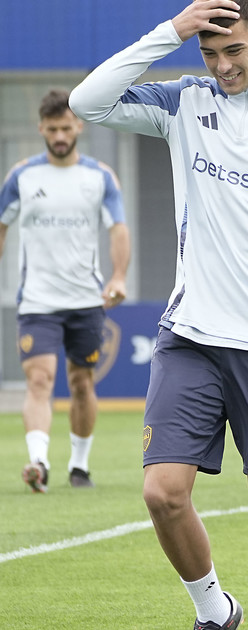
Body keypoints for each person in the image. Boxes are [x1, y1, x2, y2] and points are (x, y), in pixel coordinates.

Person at [70, 1, 248, 628]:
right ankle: (215, 609)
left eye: (234, 50)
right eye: (209, 54)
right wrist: (171, 32)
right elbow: (87, 102)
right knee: (162, 493)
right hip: (190, 336)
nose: (223, 66)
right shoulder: (184, 103)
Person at [0, 89, 130, 493]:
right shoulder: (21, 176)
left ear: (79, 127)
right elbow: (1, 226)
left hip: (85, 301)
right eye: (52, 128)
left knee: (81, 383)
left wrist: (118, 277)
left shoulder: (99, 177)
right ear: (41, 128)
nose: (59, 136)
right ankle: (39, 462)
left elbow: (118, 229)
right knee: (40, 379)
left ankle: (79, 466)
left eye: (66, 128)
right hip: (37, 302)